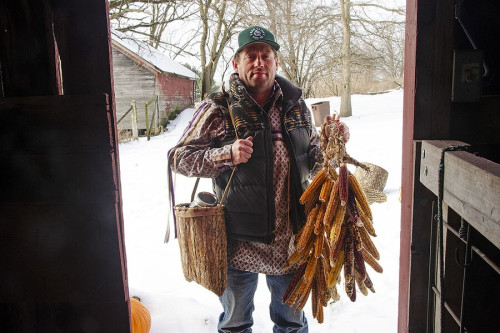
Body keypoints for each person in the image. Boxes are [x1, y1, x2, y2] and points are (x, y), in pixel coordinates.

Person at [169, 25, 328, 333]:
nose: (259, 63)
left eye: (265, 55)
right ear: (236, 63)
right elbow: (178, 157)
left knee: (292, 324)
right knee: (235, 325)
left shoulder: (296, 105)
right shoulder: (218, 107)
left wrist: (334, 145)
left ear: (276, 62)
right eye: (250, 56)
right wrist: (225, 154)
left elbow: (315, 155)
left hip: (293, 237)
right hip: (238, 240)